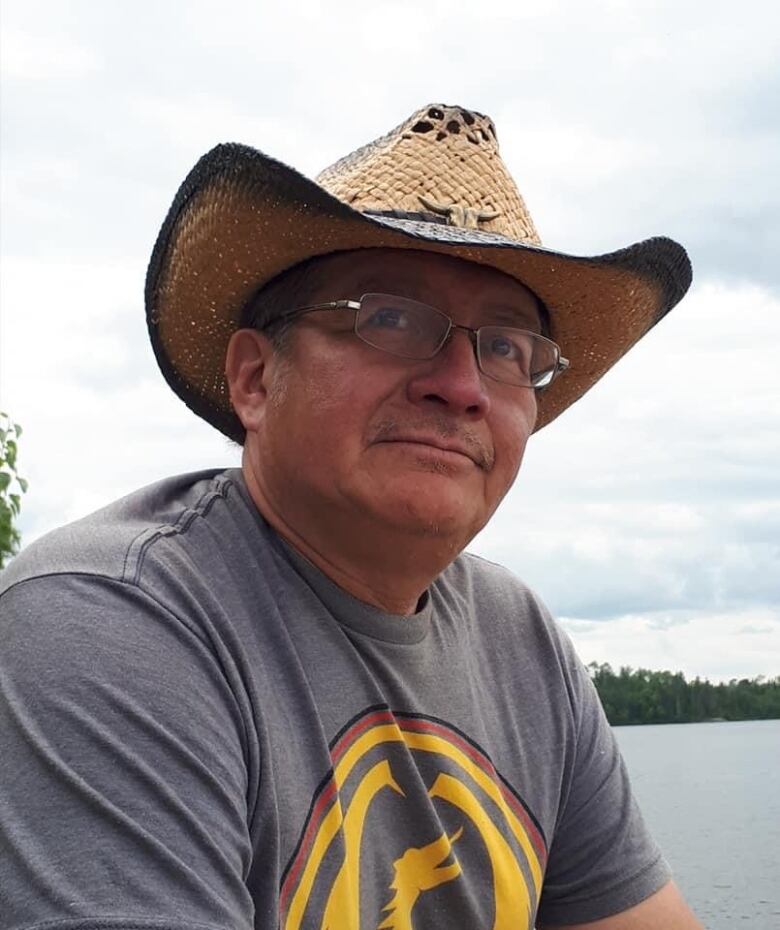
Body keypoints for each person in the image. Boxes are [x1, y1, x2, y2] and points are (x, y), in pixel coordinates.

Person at [0, 104, 703, 929]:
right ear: (256, 380)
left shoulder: (521, 642)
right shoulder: (109, 621)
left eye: (508, 348)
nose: (463, 385)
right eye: (391, 318)